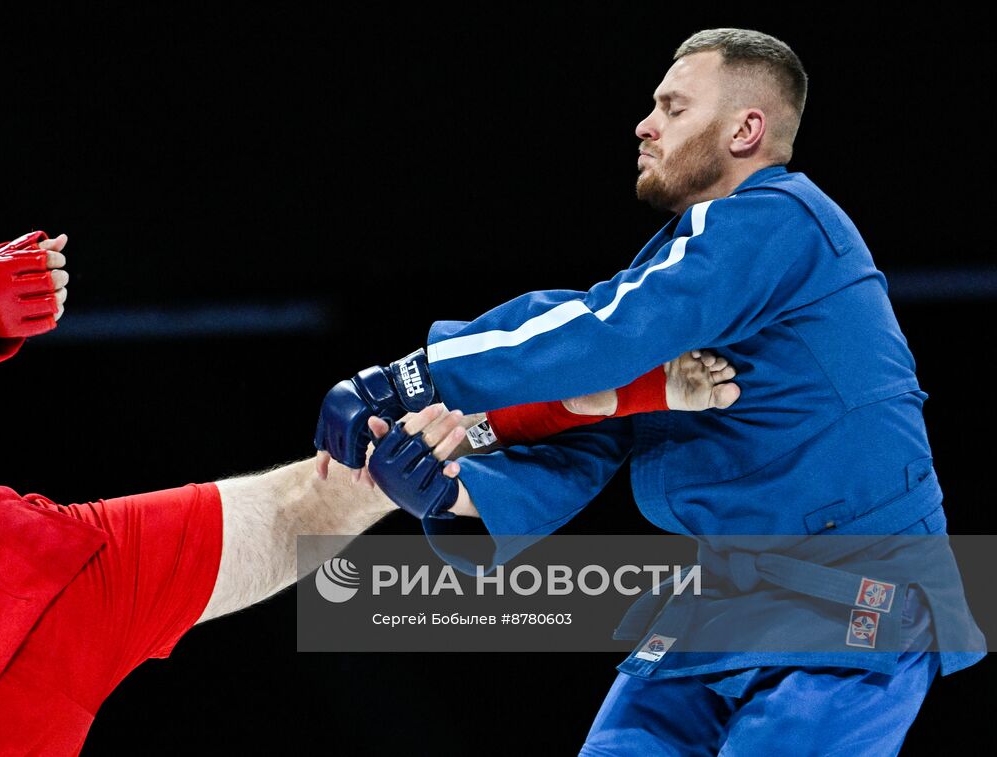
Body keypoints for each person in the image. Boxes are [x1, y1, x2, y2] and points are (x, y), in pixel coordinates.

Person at [0, 196, 733, 756]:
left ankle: (615, 397)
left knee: (338, 491)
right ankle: (627, 390)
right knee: (333, 490)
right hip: (25, 582)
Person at [315, 27, 986, 755]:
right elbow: (590, 426)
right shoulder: (682, 268)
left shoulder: (783, 219)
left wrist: (407, 377)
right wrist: (448, 492)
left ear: (746, 129)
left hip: (857, 596)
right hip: (727, 595)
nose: (645, 123)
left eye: (673, 106)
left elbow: (604, 332)